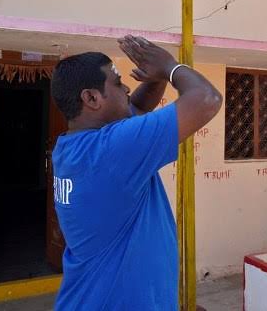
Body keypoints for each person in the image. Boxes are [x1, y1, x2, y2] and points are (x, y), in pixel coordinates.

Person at [50, 35, 222, 309]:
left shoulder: (74, 148)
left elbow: (138, 108)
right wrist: (170, 67)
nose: (127, 88)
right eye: (118, 83)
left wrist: (156, 79)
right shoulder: (111, 150)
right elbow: (207, 99)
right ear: (92, 98)